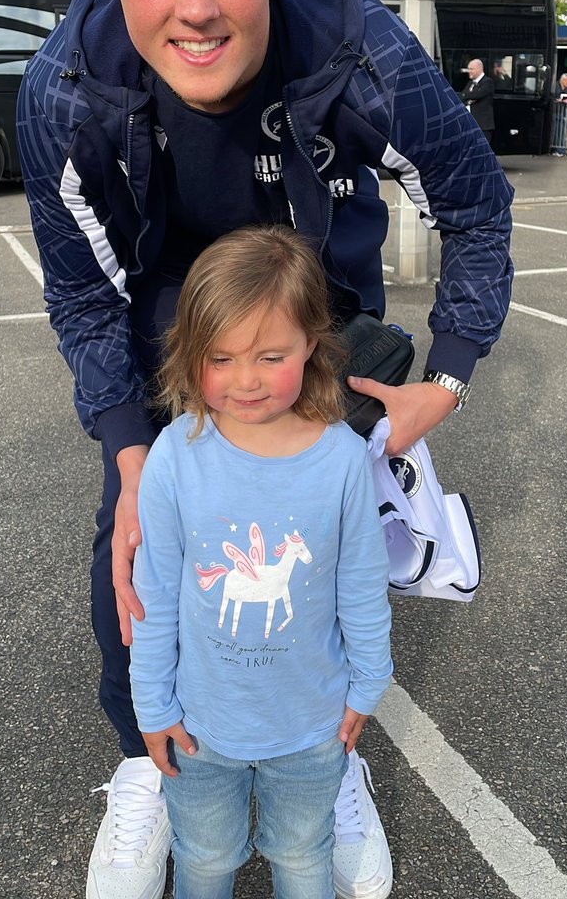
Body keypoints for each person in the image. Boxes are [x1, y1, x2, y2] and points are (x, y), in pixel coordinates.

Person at [16, 0, 514, 899]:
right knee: (140, 548)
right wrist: (130, 454)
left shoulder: (367, 53)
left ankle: (323, 757)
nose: (195, 6)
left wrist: (446, 381)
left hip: (317, 336)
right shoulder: (60, 97)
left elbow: (479, 210)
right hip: (164, 344)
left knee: (324, 540)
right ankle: (144, 763)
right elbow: (86, 301)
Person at [130, 224, 393, 899]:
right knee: (205, 859)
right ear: (190, 355)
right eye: (220, 359)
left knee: (304, 855)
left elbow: (360, 582)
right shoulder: (174, 457)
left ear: (311, 342)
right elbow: (155, 592)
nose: (244, 381)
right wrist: (152, 705)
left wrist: (368, 682)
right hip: (199, 726)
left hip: (311, 724)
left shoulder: (338, 459)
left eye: (269, 355)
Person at [461, 59, 496, 143]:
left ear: (479, 69)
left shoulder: (488, 82)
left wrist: (467, 96)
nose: (469, 71)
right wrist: (468, 100)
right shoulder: (470, 83)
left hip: (482, 126)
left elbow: (477, 95)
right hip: (469, 125)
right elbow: (462, 97)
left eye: (471, 69)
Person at [550, 71, 567, 156]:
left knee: (560, 131)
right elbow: (551, 97)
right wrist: (557, 100)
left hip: (561, 112)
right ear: (563, 80)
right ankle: (557, 149)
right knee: (556, 131)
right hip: (554, 112)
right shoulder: (555, 86)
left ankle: (561, 149)